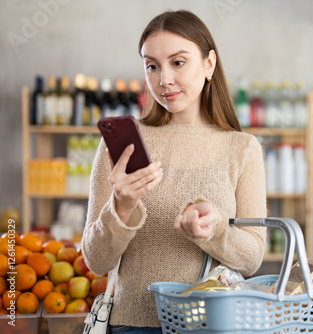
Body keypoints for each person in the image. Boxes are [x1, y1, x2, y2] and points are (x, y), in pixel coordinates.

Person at [81, 10, 267, 333]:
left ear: (209, 65)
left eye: (178, 63)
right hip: (132, 325)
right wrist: (120, 207)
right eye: (152, 65)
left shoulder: (243, 148)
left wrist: (214, 230)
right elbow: (96, 261)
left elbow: (252, 259)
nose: (163, 79)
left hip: (210, 324)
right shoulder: (122, 146)